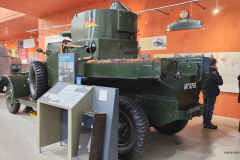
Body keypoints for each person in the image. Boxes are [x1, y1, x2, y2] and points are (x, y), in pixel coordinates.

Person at [202, 58, 223, 129]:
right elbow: (220, 82)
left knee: (205, 106)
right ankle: (208, 123)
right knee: (210, 108)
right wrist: (216, 70)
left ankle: (205, 120)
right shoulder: (214, 72)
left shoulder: (204, 71)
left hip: (205, 92)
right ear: (214, 64)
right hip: (212, 92)